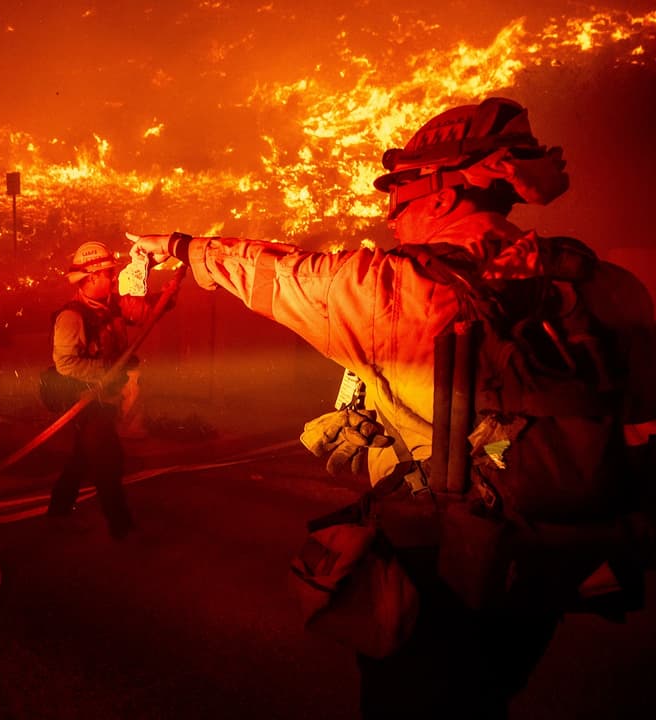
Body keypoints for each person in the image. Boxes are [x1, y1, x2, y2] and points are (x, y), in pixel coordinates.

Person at [130, 97, 656, 718]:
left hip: (440, 562)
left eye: (400, 188)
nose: (391, 209)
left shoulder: (386, 288)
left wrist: (181, 246)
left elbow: (272, 272)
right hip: (557, 562)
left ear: (442, 189)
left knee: (415, 697)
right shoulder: (605, 282)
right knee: (490, 691)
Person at [44, 240, 168, 540]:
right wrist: (106, 373)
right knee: (108, 462)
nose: (113, 279)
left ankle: (57, 513)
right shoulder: (71, 318)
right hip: (85, 401)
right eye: (108, 275)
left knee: (81, 459)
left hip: (104, 398)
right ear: (91, 278)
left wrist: (165, 298)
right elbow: (65, 364)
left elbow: (139, 314)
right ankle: (122, 529)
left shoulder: (109, 307)